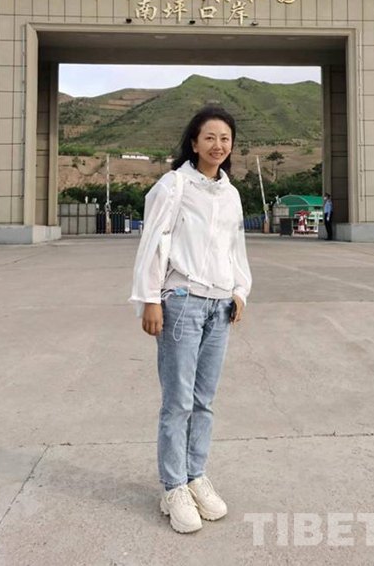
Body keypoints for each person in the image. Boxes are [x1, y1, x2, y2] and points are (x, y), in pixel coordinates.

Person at [129, 106, 252, 534]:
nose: (218, 145)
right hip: (181, 302)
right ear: (194, 142)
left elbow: (236, 248)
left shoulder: (231, 194)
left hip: (220, 306)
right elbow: (153, 242)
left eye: (225, 138)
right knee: (178, 402)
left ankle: (196, 476)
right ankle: (173, 487)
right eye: (210, 137)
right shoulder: (174, 185)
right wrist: (150, 298)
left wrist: (240, 290)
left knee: (204, 402)